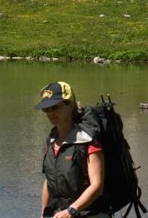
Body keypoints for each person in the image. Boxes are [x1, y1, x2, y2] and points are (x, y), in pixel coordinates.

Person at [36, 81, 111, 218]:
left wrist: (72, 210)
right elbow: (49, 180)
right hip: (60, 213)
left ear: (70, 105)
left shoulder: (88, 140)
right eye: (46, 109)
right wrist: (43, 212)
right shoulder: (51, 140)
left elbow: (97, 186)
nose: (50, 113)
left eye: (55, 107)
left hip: (89, 213)